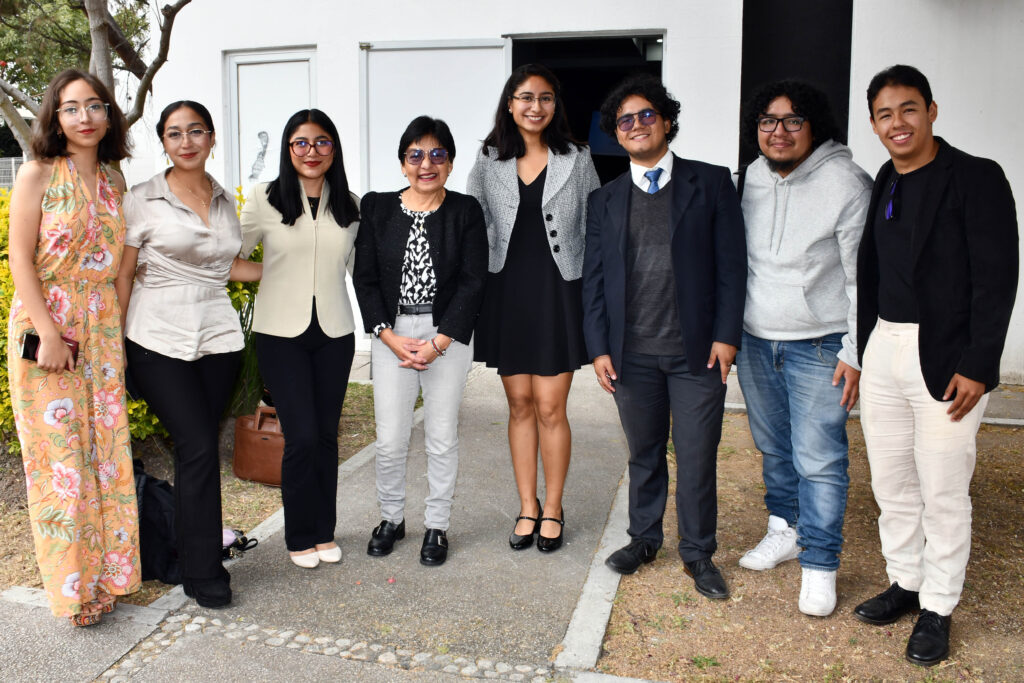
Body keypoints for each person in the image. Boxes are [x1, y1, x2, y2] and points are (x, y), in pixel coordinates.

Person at [853, 65, 1018, 666]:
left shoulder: (976, 176)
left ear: (931, 111)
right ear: (874, 124)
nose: (897, 123)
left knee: (943, 489)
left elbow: (997, 277)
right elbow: (873, 271)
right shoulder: (884, 179)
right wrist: (862, 350)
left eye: (908, 109)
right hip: (885, 346)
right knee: (892, 482)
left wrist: (979, 362)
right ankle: (906, 580)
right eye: (884, 114)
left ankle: (939, 606)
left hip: (947, 355)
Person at [582, 75, 746, 599]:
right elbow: (594, 281)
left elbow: (732, 267)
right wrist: (598, 347)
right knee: (644, 452)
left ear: (667, 121)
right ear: (616, 134)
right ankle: (644, 538)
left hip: (697, 354)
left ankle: (698, 553)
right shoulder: (604, 200)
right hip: (631, 354)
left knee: (696, 456)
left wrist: (726, 335)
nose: (636, 125)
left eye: (646, 115)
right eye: (624, 121)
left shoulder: (711, 182)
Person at [115, 100, 262, 607]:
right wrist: (117, 345)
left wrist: (289, 270)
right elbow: (124, 274)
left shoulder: (221, 199)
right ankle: (204, 573)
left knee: (197, 450)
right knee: (197, 445)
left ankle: (190, 555)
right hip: (156, 337)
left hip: (218, 340)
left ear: (211, 138)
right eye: (174, 133)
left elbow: (226, 266)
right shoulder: (141, 199)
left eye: (196, 131)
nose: (186, 141)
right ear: (164, 143)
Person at [6, 69, 139, 625]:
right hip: (49, 327)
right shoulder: (37, 173)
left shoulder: (116, 181)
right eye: (71, 107)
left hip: (102, 331)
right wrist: (50, 334)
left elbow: (123, 269)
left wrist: (118, 338)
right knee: (60, 462)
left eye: (94, 105)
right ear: (55, 119)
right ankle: (73, 590)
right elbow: (19, 258)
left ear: (109, 114)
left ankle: (108, 579)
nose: (84, 117)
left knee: (106, 457)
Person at [734, 80, 872, 617]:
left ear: (815, 126)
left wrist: (854, 352)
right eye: (768, 121)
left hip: (820, 343)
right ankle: (785, 530)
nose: (779, 131)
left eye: (793, 120)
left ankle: (820, 562)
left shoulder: (846, 183)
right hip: (755, 339)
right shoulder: (752, 177)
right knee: (774, 448)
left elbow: (863, 279)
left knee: (819, 459)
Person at [467, 64, 600, 553]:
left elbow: (594, 226)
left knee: (550, 406)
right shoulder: (488, 159)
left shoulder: (578, 158)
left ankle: (555, 506)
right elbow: (471, 223)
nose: (535, 106)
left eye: (545, 98)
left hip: (559, 292)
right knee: (520, 403)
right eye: (525, 97)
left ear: (555, 105)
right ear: (509, 103)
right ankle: (528, 505)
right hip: (506, 294)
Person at [353, 116, 487, 567]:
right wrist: (388, 336)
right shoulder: (377, 207)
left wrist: (439, 342)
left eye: (436, 154)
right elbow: (365, 278)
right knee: (390, 439)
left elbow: (473, 281)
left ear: (450, 162)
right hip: (391, 333)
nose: (426, 164)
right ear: (402, 163)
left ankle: (437, 525)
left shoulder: (466, 211)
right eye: (415, 155)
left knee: (441, 436)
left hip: (446, 334)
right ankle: (391, 519)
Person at [240, 109, 361, 569]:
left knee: (326, 436)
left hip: (335, 333)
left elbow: (361, 271)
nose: (312, 152)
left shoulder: (350, 204)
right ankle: (299, 535)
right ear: (288, 148)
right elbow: (230, 258)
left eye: (322, 142)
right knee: (302, 436)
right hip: (280, 335)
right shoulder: (263, 198)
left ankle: (323, 531)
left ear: (334, 149)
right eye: (301, 143)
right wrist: (272, 273)